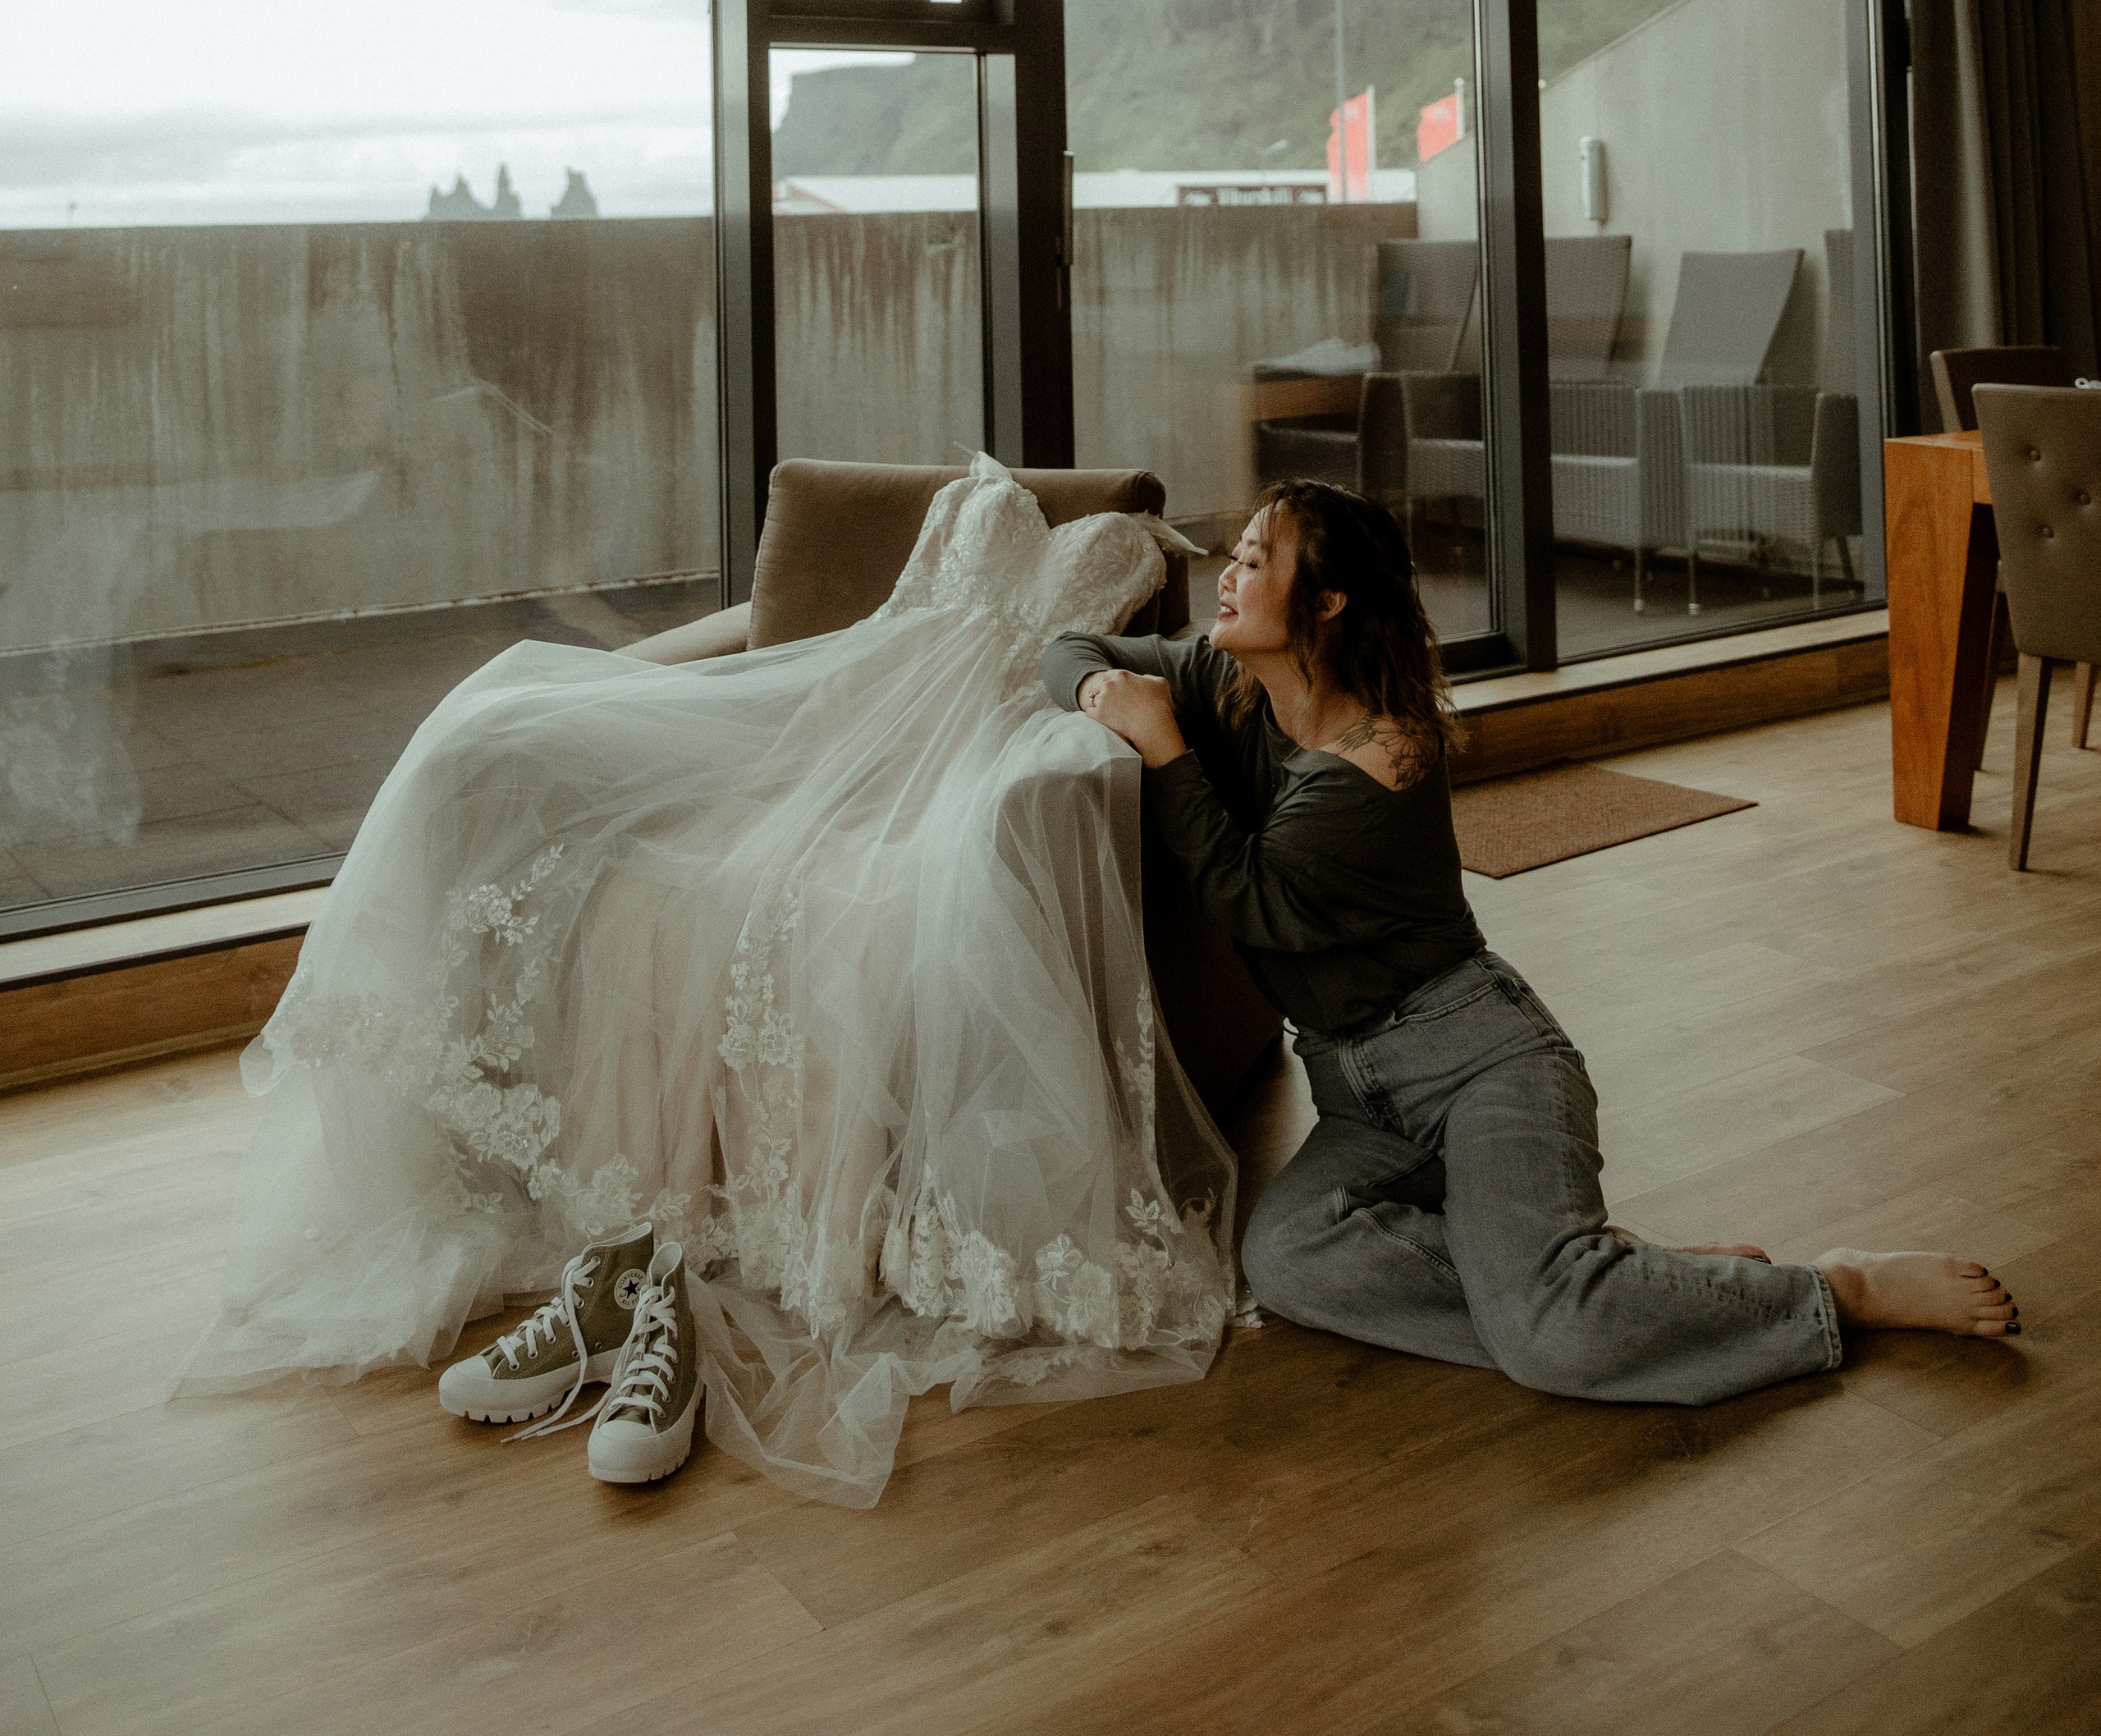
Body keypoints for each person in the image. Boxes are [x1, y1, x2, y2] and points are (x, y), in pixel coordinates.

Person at [179, 458, 1236, 1506]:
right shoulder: (968, 502)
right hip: (850, 717)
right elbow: (879, 639)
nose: (1243, 562)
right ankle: (630, 1270)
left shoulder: (1145, 600)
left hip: (969, 757)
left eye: (1261, 553)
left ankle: (666, 1288)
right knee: (516, 742)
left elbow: (1129, 686)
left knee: (839, 910)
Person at [1046, 479, 2021, 1404]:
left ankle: (1833, 1290)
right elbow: (1071, 647)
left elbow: (1252, 900)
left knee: (1549, 1337)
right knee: (1287, 1260)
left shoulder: (1386, 754)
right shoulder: (1229, 684)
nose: (1226, 571)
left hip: (1480, 1067)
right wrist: (1104, 699)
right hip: (1359, 1095)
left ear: (1329, 601)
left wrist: (1163, 746)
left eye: (1255, 560)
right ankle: (1609, 1283)